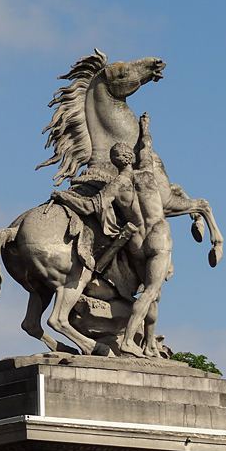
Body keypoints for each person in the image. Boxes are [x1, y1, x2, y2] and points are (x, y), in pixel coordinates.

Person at [51, 113, 172, 357]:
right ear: (132, 157)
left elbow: (91, 206)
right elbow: (146, 145)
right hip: (159, 234)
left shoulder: (117, 184)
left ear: (114, 162)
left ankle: (145, 343)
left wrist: (63, 196)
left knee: (148, 294)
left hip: (137, 240)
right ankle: (133, 342)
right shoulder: (146, 172)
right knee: (152, 293)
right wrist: (145, 128)